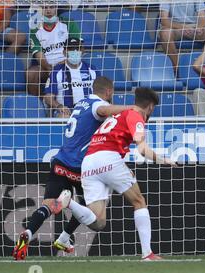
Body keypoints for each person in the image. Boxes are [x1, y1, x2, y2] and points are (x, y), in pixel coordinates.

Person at [12, 77, 132, 260]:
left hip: (60, 162)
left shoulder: (80, 103)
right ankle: (65, 227)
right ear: (108, 92)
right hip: (79, 167)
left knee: (47, 205)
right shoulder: (97, 105)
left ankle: (29, 233)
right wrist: (131, 109)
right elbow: (104, 110)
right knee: (92, 212)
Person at [57, 87, 176, 261]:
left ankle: (69, 203)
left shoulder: (117, 115)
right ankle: (147, 254)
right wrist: (163, 160)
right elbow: (142, 149)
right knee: (139, 201)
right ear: (150, 107)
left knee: (98, 222)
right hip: (109, 158)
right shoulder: (137, 115)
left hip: (89, 162)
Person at [27, 4, 81, 97]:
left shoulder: (69, 23)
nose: (48, 11)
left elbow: (76, 49)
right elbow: (38, 54)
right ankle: (36, 106)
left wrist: (65, 63)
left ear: (56, 8)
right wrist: (49, 67)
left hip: (67, 64)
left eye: (51, 7)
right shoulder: (35, 29)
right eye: (45, 7)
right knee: (31, 73)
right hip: (47, 66)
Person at [44, 37, 98, 118]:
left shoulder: (92, 70)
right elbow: (48, 97)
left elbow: (101, 94)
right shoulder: (56, 72)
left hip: (89, 111)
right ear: (64, 52)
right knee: (63, 116)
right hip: (66, 111)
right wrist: (59, 106)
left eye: (78, 48)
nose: (75, 51)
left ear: (83, 51)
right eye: (71, 49)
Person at [159, 1, 205, 73]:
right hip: (174, 27)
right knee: (165, 33)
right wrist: (182, 27)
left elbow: (202, 18)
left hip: (193, 27)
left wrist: (200, 27)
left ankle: (200, 66)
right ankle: (177, 70)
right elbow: (164, 20)